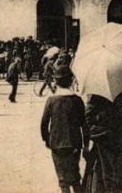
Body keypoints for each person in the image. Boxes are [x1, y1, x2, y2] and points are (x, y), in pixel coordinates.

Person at [83, 86, 122, 193]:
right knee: (121, 171)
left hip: (108, 135)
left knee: (107, 172)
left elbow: (88, 115)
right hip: (120, 134)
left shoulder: (97, 84)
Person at [40, 65, 87, 193]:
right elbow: (84, 125)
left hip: (56, 144)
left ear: (56, 82)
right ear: (71, 80)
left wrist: (47, 139)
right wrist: (86, 144)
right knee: (75, 177)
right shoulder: (77, 100)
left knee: (63, 180)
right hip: (74, 144)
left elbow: (44, 123)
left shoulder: (51, 100)